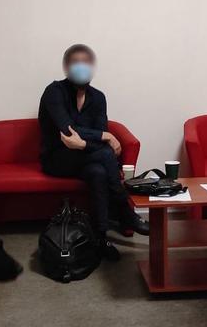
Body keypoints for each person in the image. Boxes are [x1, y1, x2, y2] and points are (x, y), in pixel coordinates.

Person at [38, 44, 149, 261]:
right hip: (57, 159)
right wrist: (104, 136)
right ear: (66, 67)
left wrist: (83, 144)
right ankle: (126, 212)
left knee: (98, 172)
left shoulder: (98, 97)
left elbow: (91, 134)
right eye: (75, 62)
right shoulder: (54, 92)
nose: (81, 66)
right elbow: (68, 130)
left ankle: (101, 239)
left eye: (86, 62)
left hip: (85, 158)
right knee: (106, 155)